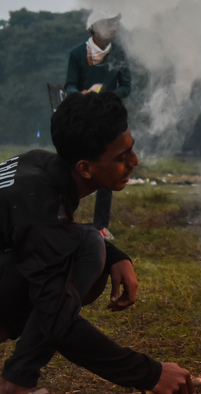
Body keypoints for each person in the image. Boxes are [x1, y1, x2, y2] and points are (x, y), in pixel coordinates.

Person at [0, 92, 193, 393]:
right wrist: (150, 374)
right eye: (121, 157)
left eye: (131, 148)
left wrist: (115, 255)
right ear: (85, 168)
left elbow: (51, 234)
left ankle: (17, 379)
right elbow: (57, 320)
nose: (135, 161)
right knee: (88, 245)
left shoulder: (37, 166)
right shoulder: (39, 208)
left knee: (91, 243)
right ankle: (17, 384)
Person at [64, 10, 132, 240]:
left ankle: (101, 225)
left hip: (109, 120)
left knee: (107, 168)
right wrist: (81, 95)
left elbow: (127, 86)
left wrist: (107, 95)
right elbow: (70, 85)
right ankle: (64, 219)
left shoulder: (119, 54)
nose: (114, 28)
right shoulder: (77, 54)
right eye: (109, 24)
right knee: (71, 169)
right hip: (82, 119)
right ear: (95, 28)